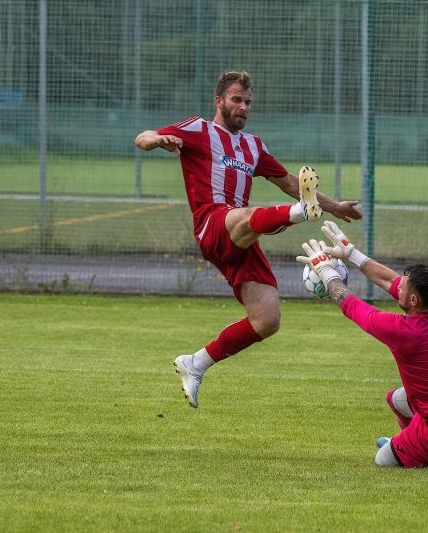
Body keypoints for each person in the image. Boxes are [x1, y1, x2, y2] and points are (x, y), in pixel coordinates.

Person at [135, 71, 361, 408]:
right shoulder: (199, 129)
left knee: (267, 319)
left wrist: (336, 207)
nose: (243, 107)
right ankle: (298, 214)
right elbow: (143, 136)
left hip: (241, 239)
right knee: (247, 215)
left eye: (248, 102)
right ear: (220, 101)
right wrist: (157, 141)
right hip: (212, 225)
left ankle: (195, 363)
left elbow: (288, 181)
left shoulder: (253, 147)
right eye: (236, 100)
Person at [296, 223, 428, 469]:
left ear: (414, 300)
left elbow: (350, 305)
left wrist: (325, 271)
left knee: (383, 460)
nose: (398, 287)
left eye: (403, 288)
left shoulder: (404, 332)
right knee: (397, 400)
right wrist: (351, 252)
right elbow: (388, 279)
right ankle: (414, 444)